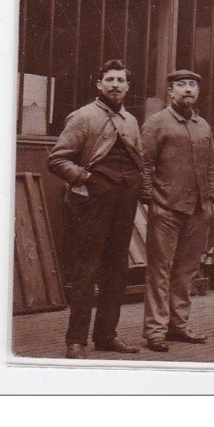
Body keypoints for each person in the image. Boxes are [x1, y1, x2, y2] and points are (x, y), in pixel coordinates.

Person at [48, 59, 144, 359]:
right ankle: (75, 341)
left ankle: (106, 336)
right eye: (110, 79)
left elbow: (139, 160)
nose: (115, 85)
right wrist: (88, 179)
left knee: (116, 270)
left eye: (120, 80)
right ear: (99, 84)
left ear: (128, 87)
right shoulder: (83, 116)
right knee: (87, 270)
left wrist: (141, 189)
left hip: (125, 198)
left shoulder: (131, 121)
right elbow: (57, 160)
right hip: (94, 200)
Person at [140, 70, 214, 352]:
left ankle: (178, 326)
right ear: (170, 91)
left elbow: (211, 166)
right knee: (160, 270)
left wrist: (211, 199)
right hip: (166, 207)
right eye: (181, 85)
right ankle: (155, 331)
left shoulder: (203, 126)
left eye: (192, 85)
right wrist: (151, 198)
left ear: (198, 91)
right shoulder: (157, 123)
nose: (188, 89)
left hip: (198, 209)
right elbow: (144, 163)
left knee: (186, 271)